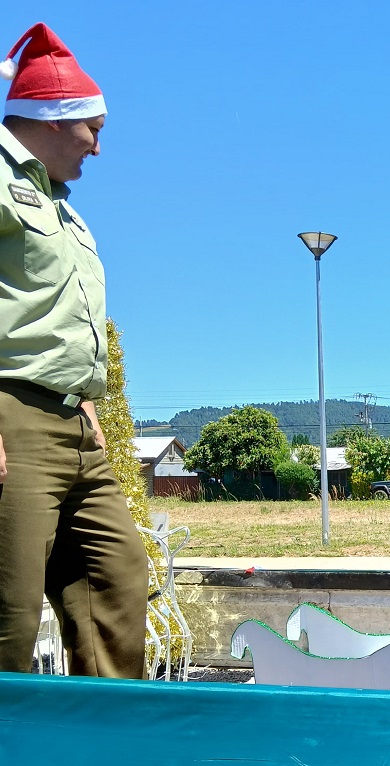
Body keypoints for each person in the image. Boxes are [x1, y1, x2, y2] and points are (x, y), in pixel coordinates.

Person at [0, 23, 147, 677]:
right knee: (7, 611)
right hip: (12, 413)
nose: (97, 147)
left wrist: (86, 408)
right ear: (55, 119)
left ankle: (110, 742)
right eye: (94, 129)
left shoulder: (64, 208)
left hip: (74, 422)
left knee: (116, 576)